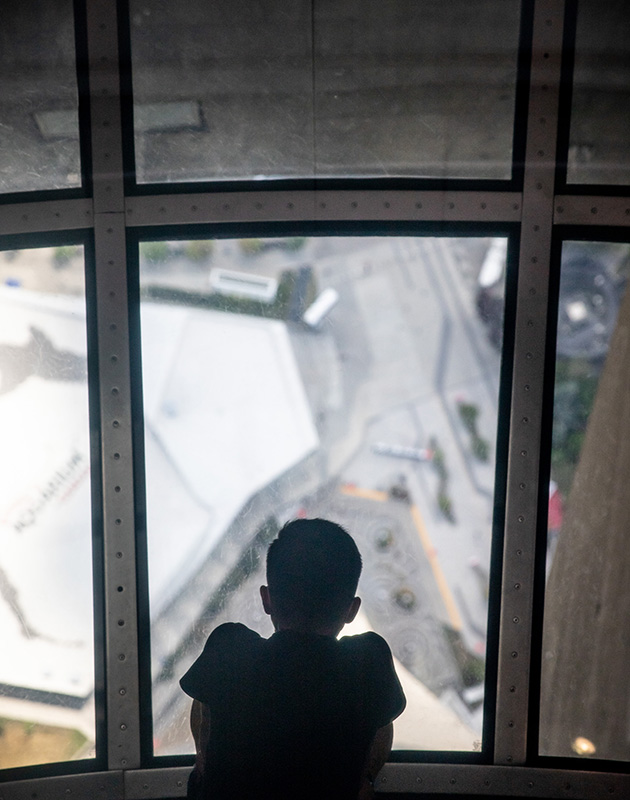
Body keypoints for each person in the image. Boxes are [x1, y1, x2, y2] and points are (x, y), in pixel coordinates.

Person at [180, 518, 406, 800]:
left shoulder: (229, 650)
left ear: (267, 599)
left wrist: (204, 760)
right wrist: (365, 780)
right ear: (351, 610)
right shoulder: (368, 664)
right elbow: (381, 722)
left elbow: (204, 703)